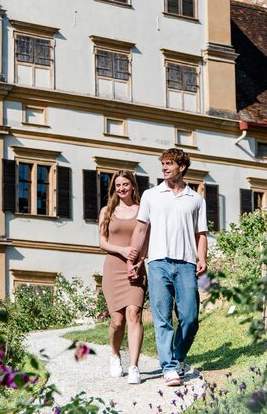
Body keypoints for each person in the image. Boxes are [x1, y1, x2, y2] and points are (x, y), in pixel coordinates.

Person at [127, 148, 207, 387]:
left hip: (186, 263)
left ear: (181, 167)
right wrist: (133, 260)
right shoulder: (152, 195)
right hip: (158, 262)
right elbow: (141, 229)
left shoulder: (196, 199)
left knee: (190, 317)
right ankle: (169, 368)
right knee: (163, 318)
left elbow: (200, 234)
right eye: (162, 164)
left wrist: (202, 258)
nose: (164, 168)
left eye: (169, 164)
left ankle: (178, 356)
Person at [97, 170, 146, 384]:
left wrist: (139, 261)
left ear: (133, 186)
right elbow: (102, 242)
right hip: (114, 267)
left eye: (126, 184)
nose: (122, 188)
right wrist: (123, 250)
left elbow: (146, 240)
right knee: (117, 321)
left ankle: (134, 366)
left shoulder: (143, 211)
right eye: (118, 185)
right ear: (114, 188)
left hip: (136, 268)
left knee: (134, 314)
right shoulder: (107, 211)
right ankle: (115, 355)